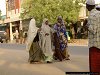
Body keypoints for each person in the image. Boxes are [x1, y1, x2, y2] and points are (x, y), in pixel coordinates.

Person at [84, 0, 100, 73]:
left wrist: (86, 26)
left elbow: (93, 30)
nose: (86, 7)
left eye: (86, 5)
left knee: (94, 67)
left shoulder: (92, 15)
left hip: (94, 44)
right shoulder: (98, 13)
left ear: (89, 6)